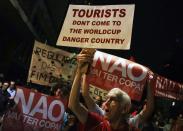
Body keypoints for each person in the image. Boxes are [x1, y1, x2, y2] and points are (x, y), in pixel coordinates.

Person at [68, 49, 154, 131]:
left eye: (112, 99)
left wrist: (150, 83)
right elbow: (73, 105)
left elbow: (148, 109)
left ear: (124, 109)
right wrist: (80, 71)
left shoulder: (131, 128)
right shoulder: (97, 122)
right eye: (106, 99)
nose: (105, 103)